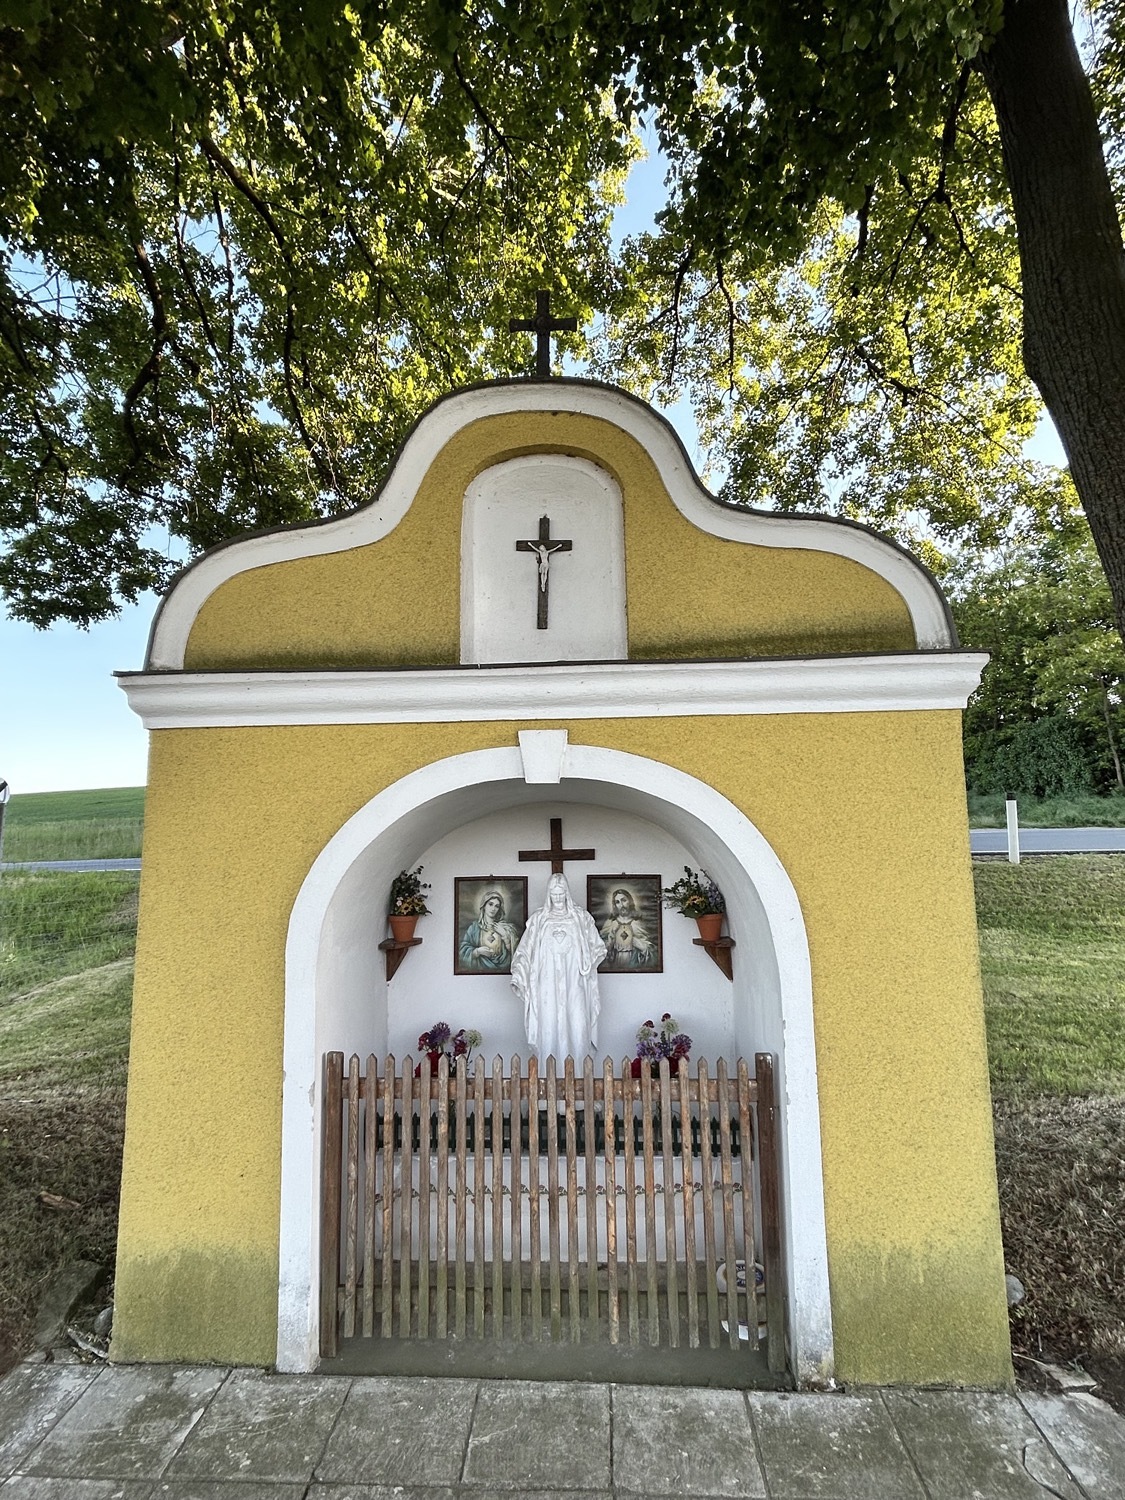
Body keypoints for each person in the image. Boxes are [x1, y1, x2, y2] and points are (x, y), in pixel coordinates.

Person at [510, 873, 607, 1061]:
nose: (558, 898)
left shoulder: (581, 918)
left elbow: (598, 947)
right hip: (547, 984)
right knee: (548, 1026)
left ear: (567, 893)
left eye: (561, 893)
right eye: (554, 894)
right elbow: (525, 951)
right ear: (548, 894)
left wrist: (588, 964)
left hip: (575, 981)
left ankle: (579, 1075)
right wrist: (519, 974)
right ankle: (548, 1076)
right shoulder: (539, 920)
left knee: (578, 1024)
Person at [459, 889, 520, 972]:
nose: (493, 908)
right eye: (490, 904)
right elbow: (462, 951)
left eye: (497, 906)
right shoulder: (474, 928)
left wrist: (505, 936)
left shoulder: (506, 928)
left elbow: (517, 953)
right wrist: (477, 951)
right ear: (484, 905)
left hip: (502, 972)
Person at [599, 887, 656, 969]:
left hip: (634, 962)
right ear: (615, 905)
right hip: (615, 963)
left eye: (624, 900)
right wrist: (611, 939)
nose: (621, 905)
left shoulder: (638, 923)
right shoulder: (610, 923)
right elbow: (600, 949)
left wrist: (638, 943)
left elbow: (651, 951)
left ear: (630, 901)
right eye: (617, 902)